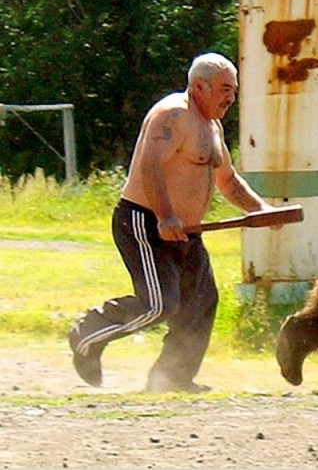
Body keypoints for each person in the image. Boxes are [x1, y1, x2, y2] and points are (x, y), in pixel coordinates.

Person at [69, 52, 280, 393]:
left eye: (235, 91)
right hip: (144, 223)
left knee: (200, 302)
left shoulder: (212, 126)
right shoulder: (172, 115)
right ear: (200, 86)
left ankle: (171, 379)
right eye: (225, 89)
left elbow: (228, 180)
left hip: (186, 232)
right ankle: (89, 332)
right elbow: (149, 166)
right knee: (159, 304)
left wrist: (260, 210)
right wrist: (165, 215)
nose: (231, 98)